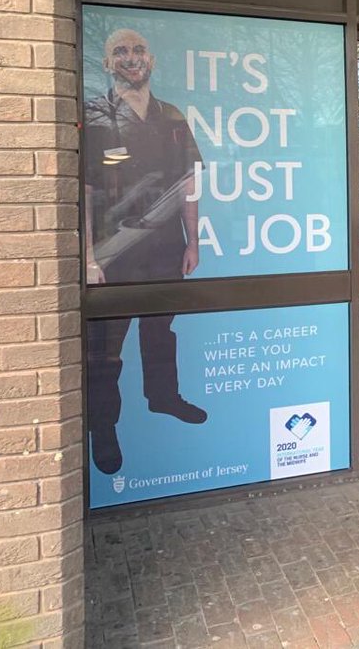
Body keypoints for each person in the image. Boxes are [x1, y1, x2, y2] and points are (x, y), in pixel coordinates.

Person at [83, 28, 208, 475]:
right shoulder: (94, 115)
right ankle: (104, 428)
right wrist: (89, 256)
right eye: (120, 51)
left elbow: (188, 185)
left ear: (150, 60)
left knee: (160, 330)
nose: (130, 57)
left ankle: (163, 398)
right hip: (113, 251)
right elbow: (84, 190)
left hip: (164, 247)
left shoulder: (171, 116)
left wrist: (193, 241)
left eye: (138, 50)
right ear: (107, 63)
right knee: (107, 347)